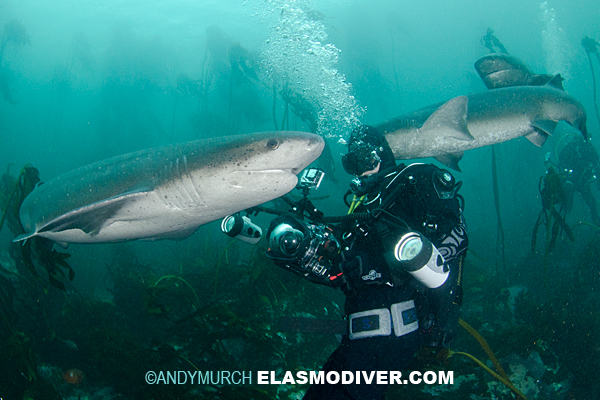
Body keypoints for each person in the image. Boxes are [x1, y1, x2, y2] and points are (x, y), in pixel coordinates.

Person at [265, 125, 468, 400]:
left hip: (391, 335)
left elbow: (457, 236)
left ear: (381, 155)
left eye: (364, 160)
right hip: (362, 339)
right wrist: (300, 245)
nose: (359, 171)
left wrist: (384, 270)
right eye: (352, 163)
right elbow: (342, 271)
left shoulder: (411, 182)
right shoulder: (362, 210)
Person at [557, 135, 600, 226]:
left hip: (576, 181)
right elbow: (596, 163)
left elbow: (597, 163)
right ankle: (596, 223)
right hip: (577, 181)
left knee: (567, 205)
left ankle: (559, 224)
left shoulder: (574, 147)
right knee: (590, 203)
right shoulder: (584, 148)